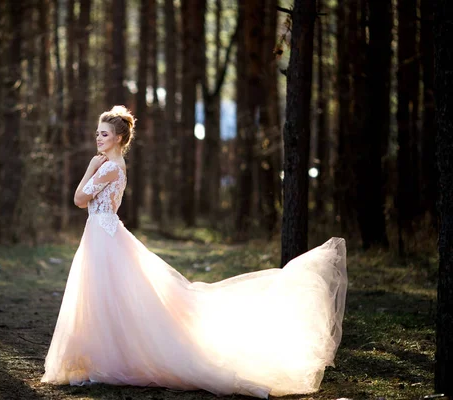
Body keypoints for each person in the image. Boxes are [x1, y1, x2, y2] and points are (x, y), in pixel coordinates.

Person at [41, 105, 348, 398]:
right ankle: (99, 357)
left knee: (108, 295)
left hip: (104, 237)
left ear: (119, 138)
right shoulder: (114, 165)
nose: (98, 138)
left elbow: (80, 199)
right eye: (98, 133)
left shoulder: (108, 167)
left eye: (104, 134)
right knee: (104, 296)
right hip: (102, 234)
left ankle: (109, 359)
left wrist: (90, 167)